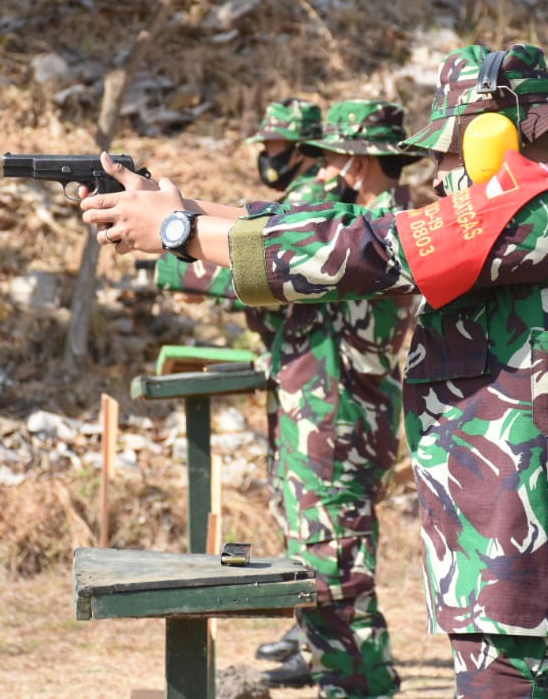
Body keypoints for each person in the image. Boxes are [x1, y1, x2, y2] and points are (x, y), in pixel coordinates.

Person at [82, 43, 548, 697]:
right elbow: (361, 225)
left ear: (495, 136)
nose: (441, 174)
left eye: (446, 154)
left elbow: (370, 248)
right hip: (538, 590)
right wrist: (181, 208)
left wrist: (180, 231)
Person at [156, 99, 419, 697]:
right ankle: (356, 681)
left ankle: (356, 686)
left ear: (355, 161)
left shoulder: (372, 234)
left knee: (333, 578)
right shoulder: (361, 222)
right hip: (326, 420)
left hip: (337, 425)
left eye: (330, 159)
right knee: (324, 571)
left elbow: (275, 271)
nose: (322, 171)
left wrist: (175, 250)